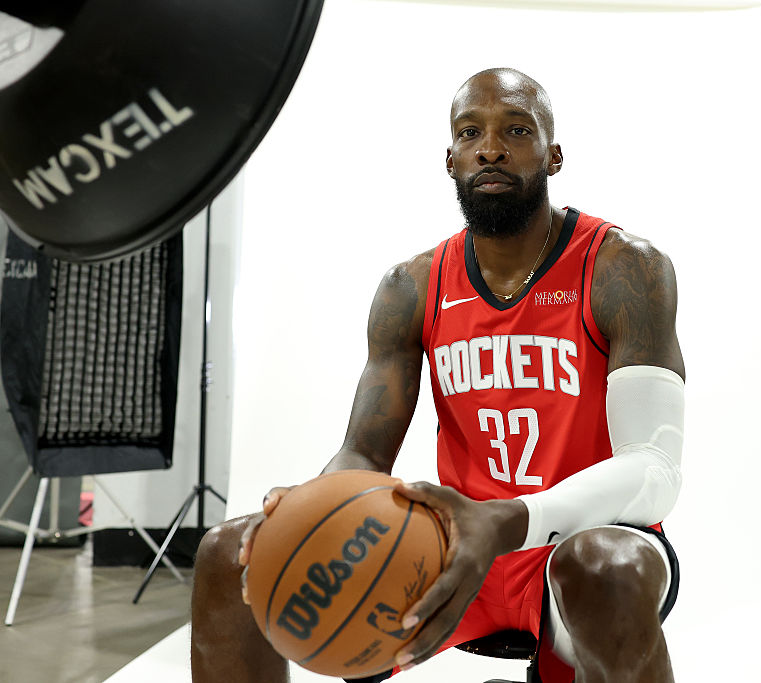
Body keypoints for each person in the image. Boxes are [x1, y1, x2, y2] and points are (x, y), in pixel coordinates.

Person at [190, 67, 686, 683]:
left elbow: (655, 468)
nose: (491, 147)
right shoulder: (412, 285)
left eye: (517, 130)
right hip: (452, 541)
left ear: (554, 156)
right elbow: (363, 451)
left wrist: (512, 520)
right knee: (229, 554)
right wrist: (309, 507)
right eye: (470, 132)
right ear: (449, 159)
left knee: (604, 567)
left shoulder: (624, 268)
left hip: (577, 540)